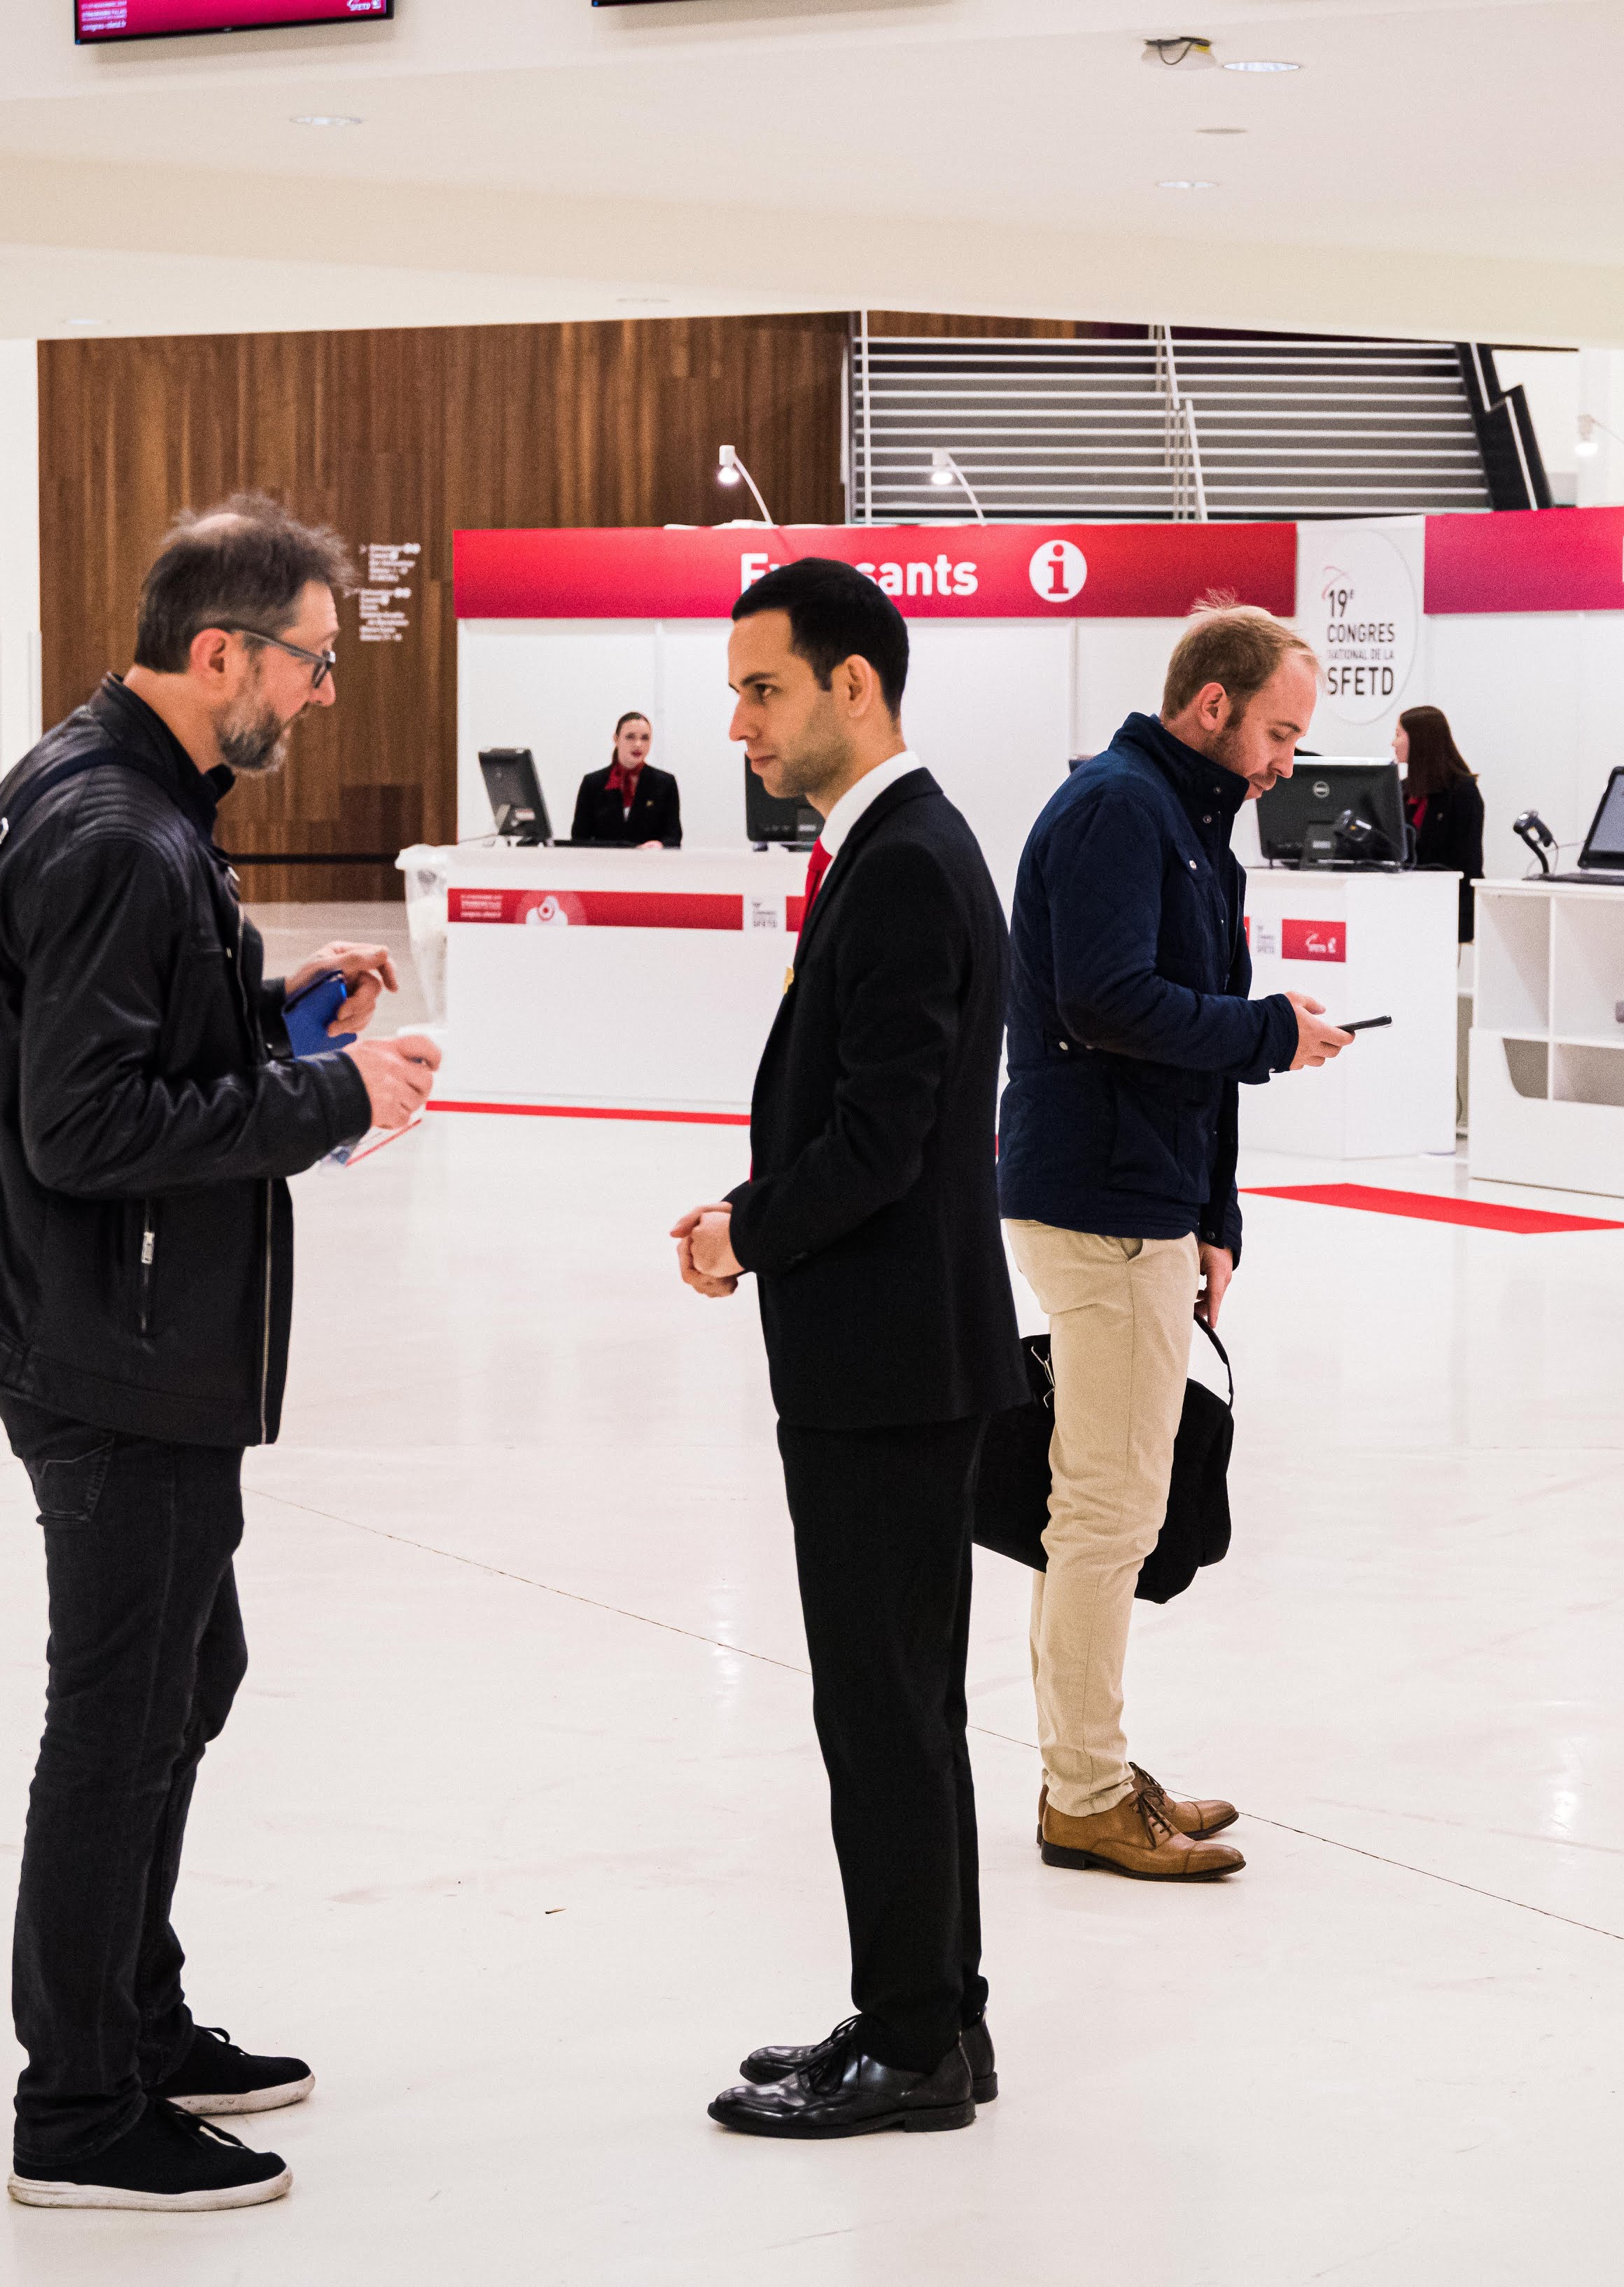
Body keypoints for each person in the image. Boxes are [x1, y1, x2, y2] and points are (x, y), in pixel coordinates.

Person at [0, 494, 440, 2213]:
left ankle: (135, 2013)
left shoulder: (111, 796)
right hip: (108, 1348)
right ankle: (76, 2107)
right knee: (121, 1712)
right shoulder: (118, 829)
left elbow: (108, 1041)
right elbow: (82, 1125)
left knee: (183, 1676)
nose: (322, 694)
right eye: (310, 660)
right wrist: (330, 1096)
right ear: (223, 653)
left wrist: (278, 1017)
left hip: (110, 1326)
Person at [671, 558, 1024, 2139]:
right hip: (895, 1351)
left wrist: (747, 1226)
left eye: (762, 685)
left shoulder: (903, 865)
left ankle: (913, 2042)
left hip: (884, 1363)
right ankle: (930, 2011)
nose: (736, 717)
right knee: (899, 1701)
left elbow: (878, 1140)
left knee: (880, 1708)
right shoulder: (896, 847)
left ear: (853, 686)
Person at [997, 605, 1352, 1883]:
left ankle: (1088, 1764)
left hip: (1148, 1193)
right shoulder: (1120, 810)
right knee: (1105, 1509)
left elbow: (1184, 1035)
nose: (1284, 763)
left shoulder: (1186, 826)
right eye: (1276, 731)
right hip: (1097, 1194)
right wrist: (1269, 1032)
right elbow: (1109, 1001)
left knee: (1108, 1501)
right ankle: (1083, 1789)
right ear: (1212, 705)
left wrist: (1217, 1216)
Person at [1395, 703, 1487, 941]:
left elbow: (1469, 865)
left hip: (1444, 912)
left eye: (1398, 735)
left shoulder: (1462, 793)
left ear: (1419, 739)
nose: (1393, 743)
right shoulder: (1401, 790)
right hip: (1401, 908)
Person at [568, 710, 682, 846]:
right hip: (604, 864)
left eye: (645, 738)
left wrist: (660, 845)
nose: (638, 744)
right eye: (630, 737)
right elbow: (579, 838)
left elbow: (674, 836)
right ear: (616, 739)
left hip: (649, 863)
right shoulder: (593, 783)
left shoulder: (665, 783)